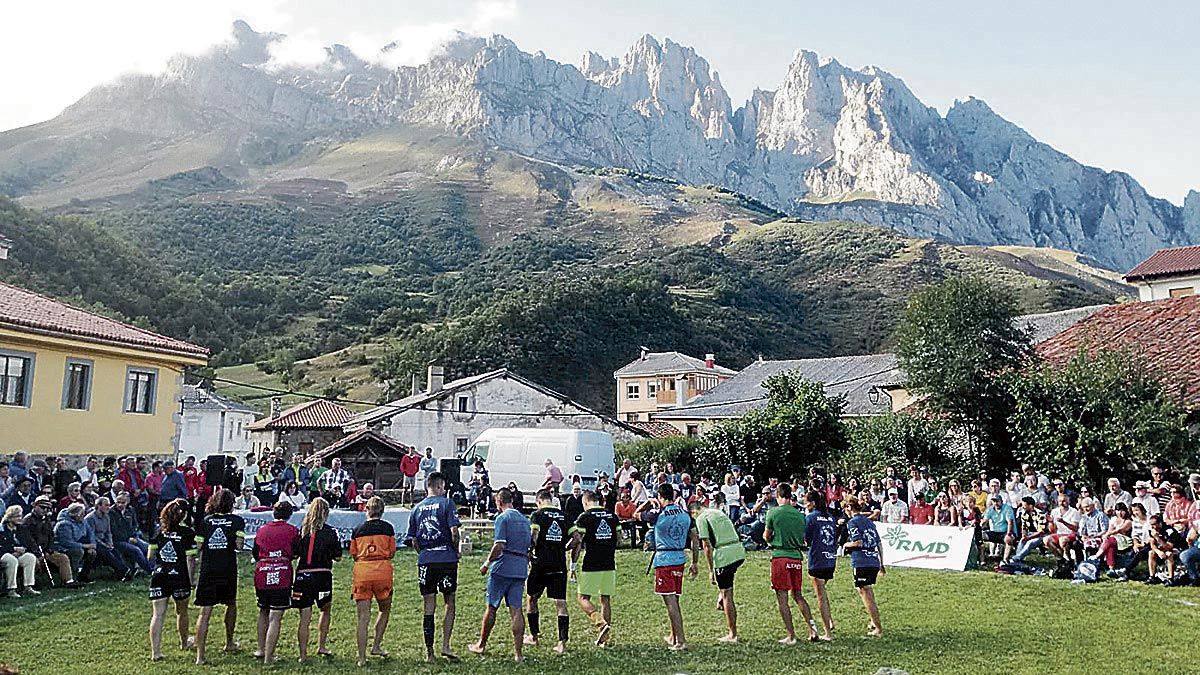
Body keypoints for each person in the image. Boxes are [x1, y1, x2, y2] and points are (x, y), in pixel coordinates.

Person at [469, 488, 533, 662]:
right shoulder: (525, 520)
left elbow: (499, 546)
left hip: (503, 567)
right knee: (516, 609)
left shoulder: (502, 518)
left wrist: (486, 564)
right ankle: (518, 654)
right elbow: (530, 545)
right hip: (520, 569)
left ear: (498, 502)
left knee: (491, 607)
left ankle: (481, 645)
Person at [407, 472, 461, 662]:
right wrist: (456, 551)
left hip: (426, 560)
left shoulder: (416, 509)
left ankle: (430, 652)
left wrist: (423, 553)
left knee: (429, 605)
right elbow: (454, 532)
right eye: (443, 486)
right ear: (438, 486)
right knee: (449, 602)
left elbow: (413, 539)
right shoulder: (447, 503)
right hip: (446, 558)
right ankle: (446, 645)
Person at [638, 483, 698, 651]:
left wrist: (648, 503)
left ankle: (681, 640)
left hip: (664, 559)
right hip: (680, 557)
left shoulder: (658, 513)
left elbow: (636, 514)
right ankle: (673, 636)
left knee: (670, 601)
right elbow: (694, 537)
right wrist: (695, 562)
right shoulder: (685, 514)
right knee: (675, 599)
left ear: (660, 496)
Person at [193, 488, 245, 665]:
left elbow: (198, 546)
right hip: (227, 568)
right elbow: (239, 546)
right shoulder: (237, 521)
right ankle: (229, 642)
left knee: (205, 611)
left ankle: (200, 656)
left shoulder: (206, 521)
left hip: (208, 568)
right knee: (230, 603)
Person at [763, 482, 820, 644]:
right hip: (796, 557)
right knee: (798, 595)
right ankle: (813, 629)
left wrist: (771, 540)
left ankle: (791, 635)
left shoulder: (773, 513)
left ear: (778, 495)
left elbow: (766, 536)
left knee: (782, 598)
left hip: (780, 556)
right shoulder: (800, 515)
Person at [568, 490, 620, 646]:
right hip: (609, 563)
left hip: (592, 563)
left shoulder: (585, 517)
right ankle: (605, 639)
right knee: (605, 599)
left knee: (583, 598)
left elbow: (577, 542)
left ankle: (600, 623)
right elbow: (619, 540)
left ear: (585, 502)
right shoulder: (612, 516)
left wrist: (572, 565)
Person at [148, 499, 197, 661]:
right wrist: (191, 580)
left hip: (160, 575)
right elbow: (190, 560)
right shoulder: (188, 533)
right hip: (179, 577)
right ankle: (184, 642)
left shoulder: (158, 530)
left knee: (158, 614)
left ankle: (155, 652)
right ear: (184, 515)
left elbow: (150, 556)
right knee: (181, 611)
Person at [694, 491, 746, 643]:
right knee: (726, 587)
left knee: (727, 595)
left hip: (724, 555)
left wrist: (711, 570)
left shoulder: (701, 519)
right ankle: (720, 596)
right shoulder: (716, 512)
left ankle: (732, 634)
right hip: (738, 552)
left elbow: (706, 546)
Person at [293, 497, 341, 663]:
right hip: (322, 575)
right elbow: (339, 556)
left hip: (302, 576)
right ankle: (321, 645)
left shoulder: (302, 531)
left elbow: (295, 553)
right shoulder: (330, 532)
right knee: (325, 610)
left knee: (304, 617)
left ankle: (303, 655)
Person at [349, 496, 396, 666]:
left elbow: (353, 554)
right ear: (382, 511)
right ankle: (376, 645)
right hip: (383, 571)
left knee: (363, 617)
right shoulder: (388, 528)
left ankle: (361, 658)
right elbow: (391, 553)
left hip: (362, 571)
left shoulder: (357, 529)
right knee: (384, 609)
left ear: (366, 509)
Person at [252, 501, 299, 664]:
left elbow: (256, 552)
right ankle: (269, 657)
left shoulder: (262, 530)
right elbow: (296, 552)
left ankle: (260, 649)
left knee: (263, 611)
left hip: (262, 573)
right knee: (276, 616)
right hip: (282, 574)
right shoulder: (292, 531)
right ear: (289, 514)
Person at [525, 489, 570, 654]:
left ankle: (534, 636)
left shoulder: (537, 515)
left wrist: (530, 551)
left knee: (531, 598)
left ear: (538, 501)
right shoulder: (564, 516)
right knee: (560, 603)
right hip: (558, 564)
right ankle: (562, 643)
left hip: (541, 564)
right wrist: (564, 547)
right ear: (551, 500)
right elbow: (577, 538)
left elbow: (534, 534)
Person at [843, 495, 885, 636]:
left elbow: (858, 542)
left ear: (849, 507)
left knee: (865, 593)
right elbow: (879, 543)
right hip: (873, 560)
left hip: (862, 561)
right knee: (868, 591)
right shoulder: (869, 522)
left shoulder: (852, 522)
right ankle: (874, 621)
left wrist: (845, 545)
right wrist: (881, 563)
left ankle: (878, 627)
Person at [84, 497, 133, 580]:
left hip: (104, 541)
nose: (108, 507)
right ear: (98, 506)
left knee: (115, 551)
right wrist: (104, 545)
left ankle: (123, 571)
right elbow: (92, 536)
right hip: (93, 542)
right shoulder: (90, 518)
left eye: (109, 505)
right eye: (106, 505)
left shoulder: (107, 517)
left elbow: (108, 532)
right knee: (106, 552)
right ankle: (123, 571)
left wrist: (110, 543)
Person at [0, 505, 38, 598]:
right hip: (3, 554)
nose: (20, 518)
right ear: (10, 517)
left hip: (18, 554)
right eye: (17, 516)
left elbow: (28, 543)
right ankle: (11, 589)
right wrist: (13, 549)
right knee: (11, 560)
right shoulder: (2, 529)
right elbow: (2, 545)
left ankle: (28, 587)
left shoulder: (21, 529)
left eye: (20, 516)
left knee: (30, 557)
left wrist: (22, 549)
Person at [54, 502, 97, 583]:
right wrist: (85, 546)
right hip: (63, 547)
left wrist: (92, 545)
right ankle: (73, 577)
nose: (83, 515)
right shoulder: (64, 525)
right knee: (78, 552)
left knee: (92, 553)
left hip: (79, 544)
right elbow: (67, 542)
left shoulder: (83, 521)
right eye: (81, 514)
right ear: (75, 514)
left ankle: (83, 575)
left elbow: (90, 533)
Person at [1011, 496, 1051, 563]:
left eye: (1024, 505)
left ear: (1030, 506)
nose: (1023, 507)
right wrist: (1024, 535)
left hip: (1041, 535)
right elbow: (1024, 527)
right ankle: (1018, 559)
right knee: (1022, 541)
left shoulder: (1040, 514)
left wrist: (1028, 538)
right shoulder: (1024, 513)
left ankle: (1016, 558)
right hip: (1030, 533)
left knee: (1030, 542)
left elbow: (1041, 532)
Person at [983, 494, 1016, 561]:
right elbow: (984, 521)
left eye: (997, 501)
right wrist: (980, 526)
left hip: (1004, 532)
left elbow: (1010, 522)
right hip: (994, 532)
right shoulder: (990, 509)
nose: (996, 503)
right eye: (994, 501)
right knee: (979, 536)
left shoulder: (1007, 508)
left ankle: (1005, 560)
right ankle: (982, 558)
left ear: (1001, 501)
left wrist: (1008, 534)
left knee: (1009, 539)